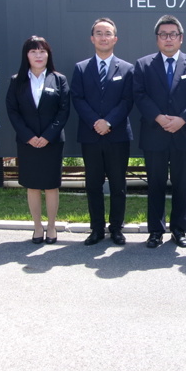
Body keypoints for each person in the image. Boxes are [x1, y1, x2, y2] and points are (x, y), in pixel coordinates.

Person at [133, 15, 186, 248]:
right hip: (154, 133)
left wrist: (182, 119)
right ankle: (155, 231)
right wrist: (158, 117)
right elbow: (139, 95)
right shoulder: (143, 64)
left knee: (180, 185)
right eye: (163, 34)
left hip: (183, 134)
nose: (168, 38)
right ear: (157, 39)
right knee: (155, 184)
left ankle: (179, 230)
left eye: (173, 34)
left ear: (180, 38)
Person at [71, 18, 134, 246]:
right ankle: (96, 229)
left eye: (108, 33)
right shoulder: (81, 68)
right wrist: (95, 122)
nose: (103, 37)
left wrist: (108, 122)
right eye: (99, 33)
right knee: (93, 184)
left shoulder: (127, 69)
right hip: (91, 135)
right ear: (92, 38)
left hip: (117, 136)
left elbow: (127, 100)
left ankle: (116, 228)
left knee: (118, 185)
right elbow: (77, 98)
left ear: (115, 39)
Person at [6, 36, 70, 244]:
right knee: (32, 186)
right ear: (26, 55)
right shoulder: (17, 81)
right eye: (33, 51)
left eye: (42, 51)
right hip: (28, 143)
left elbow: (63, 111)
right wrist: (29, 137)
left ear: (48, 54)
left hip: (52, 142)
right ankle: (37, 227)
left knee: (51, 186)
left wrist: (47, 136)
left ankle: (51, 226)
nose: (38, 55)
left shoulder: (58, 79)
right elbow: (13, 111)